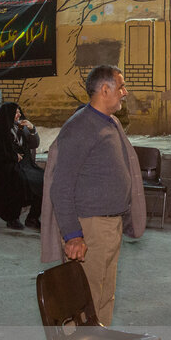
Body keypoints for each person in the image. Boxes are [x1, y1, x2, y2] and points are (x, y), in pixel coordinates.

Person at [40, 65, 145, 326]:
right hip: (91, 228)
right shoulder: (81, 127)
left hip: (110, 225)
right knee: (83, 300)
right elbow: (61, 185)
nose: (125, 92)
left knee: (103, 297)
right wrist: (73, 235)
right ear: (105, 89)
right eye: (121, 86)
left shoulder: (110, 122)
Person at [0, 103, 44, 230]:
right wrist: (13, 156)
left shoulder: (21, 127)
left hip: (23, 165)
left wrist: (32, 129)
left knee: (44, 179)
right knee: (17, 180)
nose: (19, 115)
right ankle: (12, 218)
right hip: (2, 167)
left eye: (19, 112)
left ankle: (32, 218)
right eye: (16, 113)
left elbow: (33, 144)